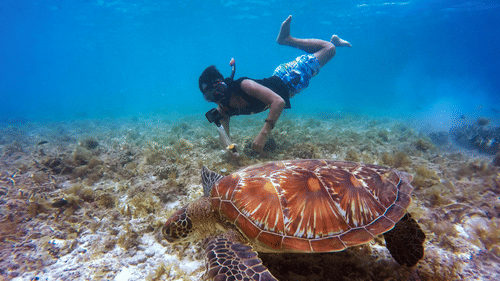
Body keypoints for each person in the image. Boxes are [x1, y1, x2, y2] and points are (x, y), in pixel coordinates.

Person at [199, 15, 351, 157]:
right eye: (210, 97)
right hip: (282, 80)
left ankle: (287, 39)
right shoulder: (224, 110)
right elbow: (225, 139)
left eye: (218, 90)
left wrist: (263, 133)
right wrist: (231, 151)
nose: (218, 98)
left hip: (290, 78)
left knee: (329, 51)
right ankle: (333, 41)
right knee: (322, 54)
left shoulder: (244, 85)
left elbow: (278, 102)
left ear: (224, 84)